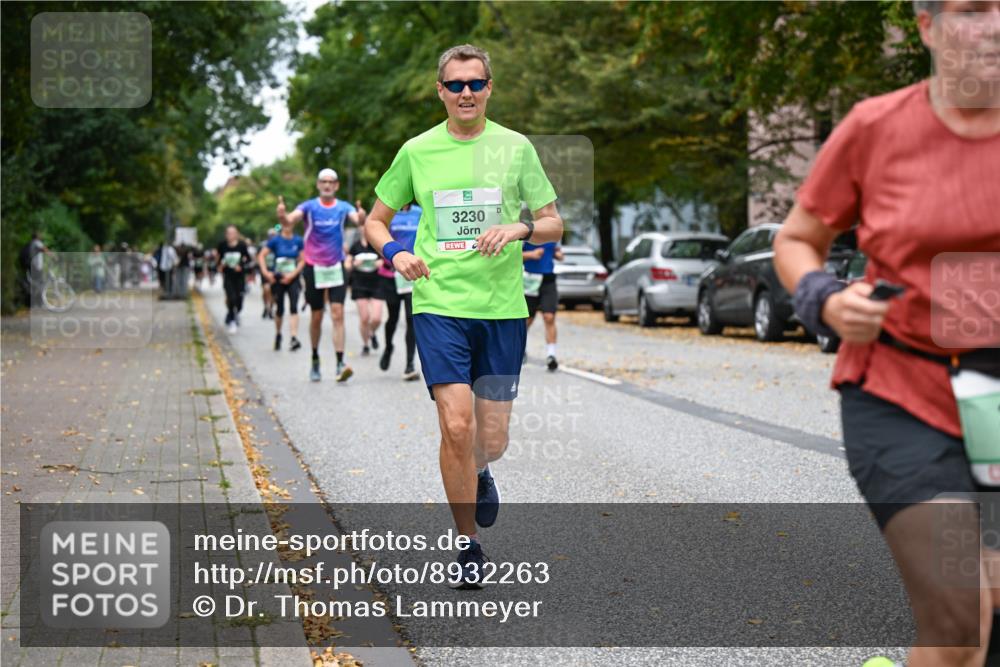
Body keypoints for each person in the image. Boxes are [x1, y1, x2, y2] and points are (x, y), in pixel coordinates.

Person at [773, 2, 1000, 665]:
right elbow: (797, 240)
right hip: (902, 390)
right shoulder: (876, 128)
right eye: (972, 9)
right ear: (927, 26)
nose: (994, 24)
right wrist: (827, 299)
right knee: (962, 610)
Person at [365, 44, 563, 588]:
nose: (466, 93)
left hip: (500, 309)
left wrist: (519, 228)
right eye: (455, 85)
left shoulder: (516, 148)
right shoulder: (417, 152)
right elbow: (376, 222)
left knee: (490, 437)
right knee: (455, 424)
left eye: (475, 83)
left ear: (490, 88)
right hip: (439, 304)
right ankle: (467, 543)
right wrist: (396, 253)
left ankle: (481, 469)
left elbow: (552, 223)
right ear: (441, 92)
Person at [276, 169, 363, 382]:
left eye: (331, 182)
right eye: (323, 182)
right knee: (317, 316)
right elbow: (289, 222)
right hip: (314, 266)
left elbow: (358, 220)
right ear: (318, 184)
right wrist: (282, 216)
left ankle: (340, 362)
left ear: (337, 186)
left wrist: (361, 216)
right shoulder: (308, 207)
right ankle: (315, 358)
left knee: (337, 313)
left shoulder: (343, 207)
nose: (327, 185)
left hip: (336, 266)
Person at [379, 203, 421, 381]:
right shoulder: (389, 212)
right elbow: (379, 236)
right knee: (393, 318)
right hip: (391, 272)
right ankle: (388, 347)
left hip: (412, 272)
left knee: (411, 318)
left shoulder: (420, 213)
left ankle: (410, 363)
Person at [259, 220, 305, 352]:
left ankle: (293, 337)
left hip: (292, 278)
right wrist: (266, 273)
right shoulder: (275, 240)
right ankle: (278, 334)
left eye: (290, 223)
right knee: (279, 309)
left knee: (294, 307)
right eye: (285, 223)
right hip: (278, 279)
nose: (287, 226)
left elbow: (303, 259)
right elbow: (261, 255)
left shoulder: (298, 240)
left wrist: (293, 274)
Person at [522, 239, 563, 371]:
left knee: (549, 317)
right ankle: (522, 349)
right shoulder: (525, 232)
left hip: (548, 280)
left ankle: (551, 355)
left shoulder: (553, 234)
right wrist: (531, 254)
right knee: (527, 320)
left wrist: (558, 255)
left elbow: (557, 251)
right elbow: (513, 256)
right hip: (530, 279)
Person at [347, 212, 384, 356]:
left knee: (376, 318)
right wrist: (353, 263)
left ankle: (371, 332)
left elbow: (385, 260)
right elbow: (347, 264)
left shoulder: (376, 245)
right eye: (361, 226)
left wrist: (379, 263)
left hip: (377, 283)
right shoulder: (355, 246)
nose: (364, 228)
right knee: (364, 318)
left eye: (366, 226)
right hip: (359, 283)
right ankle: (365, 344)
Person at [216, 225, 251, 334]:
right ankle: (232, 319)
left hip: (239, 276)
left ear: (236, 234)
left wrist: (241, 265)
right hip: (228, 275)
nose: (230, 235)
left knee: (239, 299)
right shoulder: (222, 245)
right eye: (229, 233)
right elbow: (218, 258)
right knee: (231, 297)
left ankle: (235, 313)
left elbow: (247, 258)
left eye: (233, 233)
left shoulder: (241, 245)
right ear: (226, 235)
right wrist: (220, 266)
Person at [260, 230, 276, 319]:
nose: (272, 236)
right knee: (266, 290)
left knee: (273, 292)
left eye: (274, 235)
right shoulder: (263, 245)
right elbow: (258, 256)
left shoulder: (278, 245)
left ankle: (270, 308)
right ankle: (265, 306)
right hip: (265, 271)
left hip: (275, 271)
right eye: (271, 235)